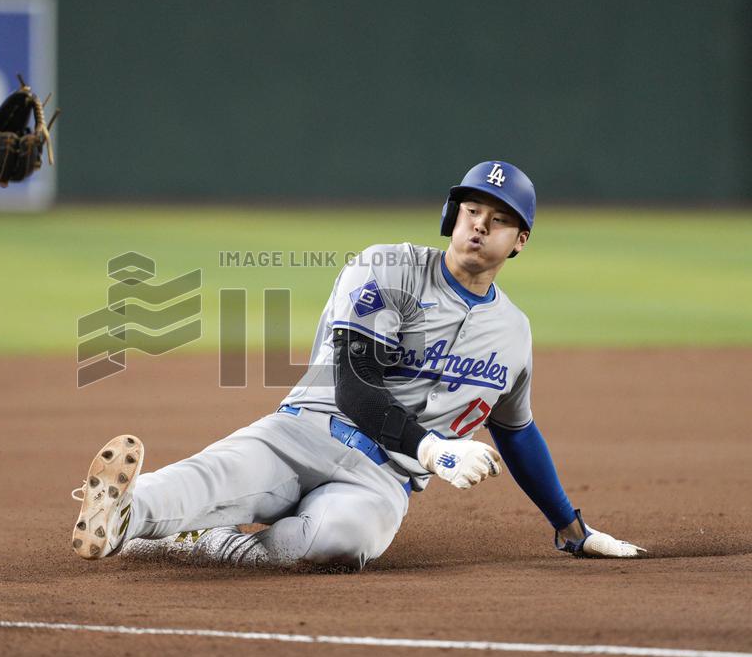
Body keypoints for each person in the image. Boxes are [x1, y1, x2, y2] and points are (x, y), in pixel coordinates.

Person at [71, 161, 645, 569]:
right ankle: (122, 513)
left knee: (343, 541)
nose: (479, 224)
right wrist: (434, 449)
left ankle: (211, 544)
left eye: (497, 219)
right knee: (219, 477)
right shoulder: (388, 267)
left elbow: (516, 432)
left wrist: (571, 529)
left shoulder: (514, 334)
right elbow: (354, 384)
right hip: (306, 430)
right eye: (472, 209)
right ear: (452, 215)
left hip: (382, 479)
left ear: (519, 241)